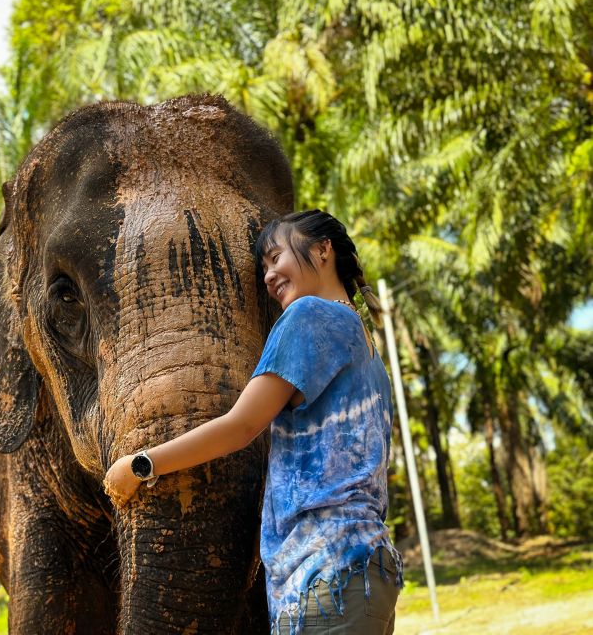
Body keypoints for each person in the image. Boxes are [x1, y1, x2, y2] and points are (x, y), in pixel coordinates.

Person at [104, 210, 403, 634]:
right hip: (366, 568)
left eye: (276, 257)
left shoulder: (307, 317)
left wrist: (141, 465)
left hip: (325, 567)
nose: (268, 276)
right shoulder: (363, 340)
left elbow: (241, 426)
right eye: (263, 267)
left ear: (323, 250)